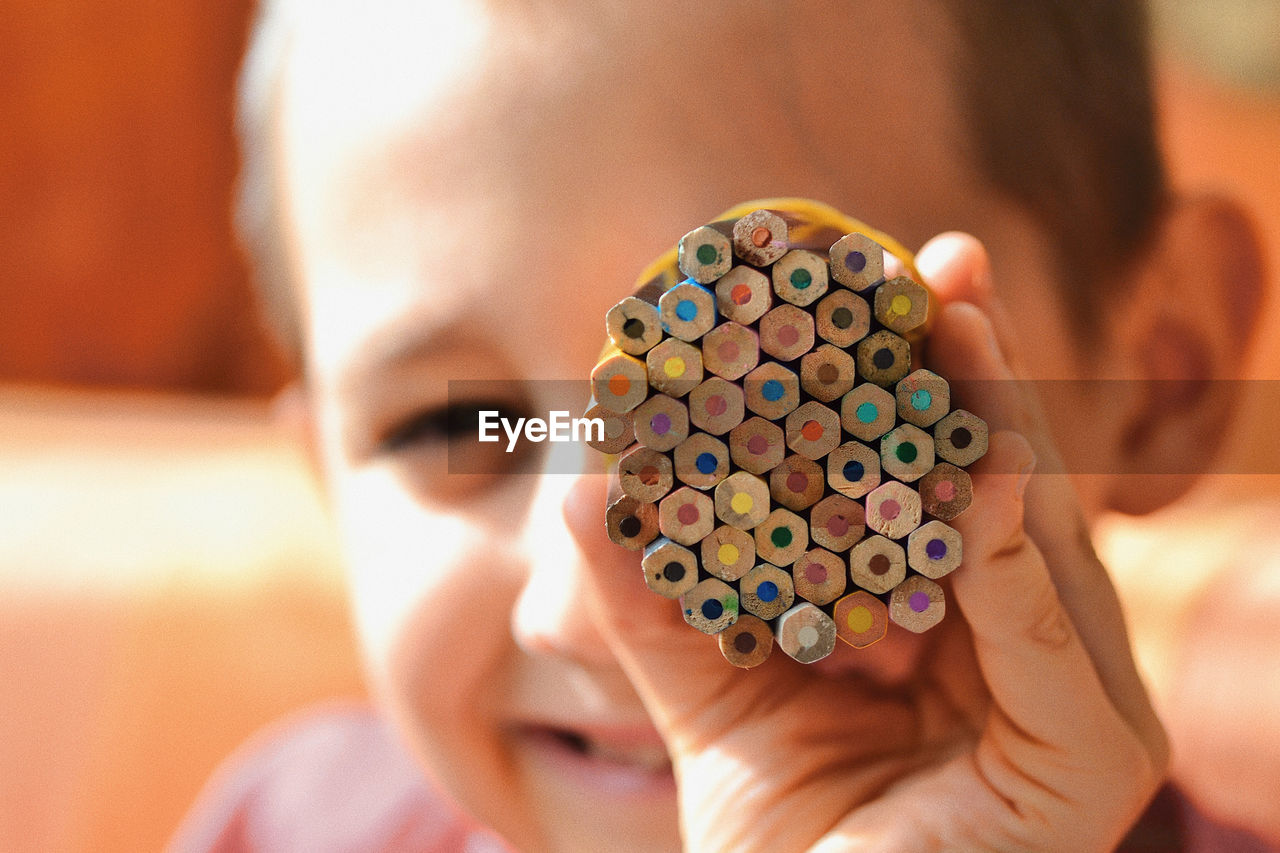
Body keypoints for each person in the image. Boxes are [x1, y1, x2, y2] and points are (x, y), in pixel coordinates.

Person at [173, 0, 1272, 850]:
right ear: (325, 476)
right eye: (454, 426)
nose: (589, 605)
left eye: (785, 400)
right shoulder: (284, 825)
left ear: (1159, 376)